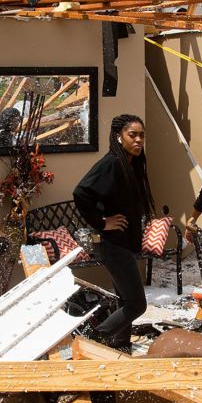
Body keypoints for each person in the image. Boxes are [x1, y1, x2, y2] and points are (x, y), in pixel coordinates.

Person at [73, 114, 155, 353]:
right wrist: (102, 221)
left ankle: (120, 346)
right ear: (119, 137)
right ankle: (90, 340)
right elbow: (80, 192)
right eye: (133, 135)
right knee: (136, 304)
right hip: (112, 244)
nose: (139, 140)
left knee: (125, 300)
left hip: (123, 243)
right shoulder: (111, 164)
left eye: (141, 135)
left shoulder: (130, 164)